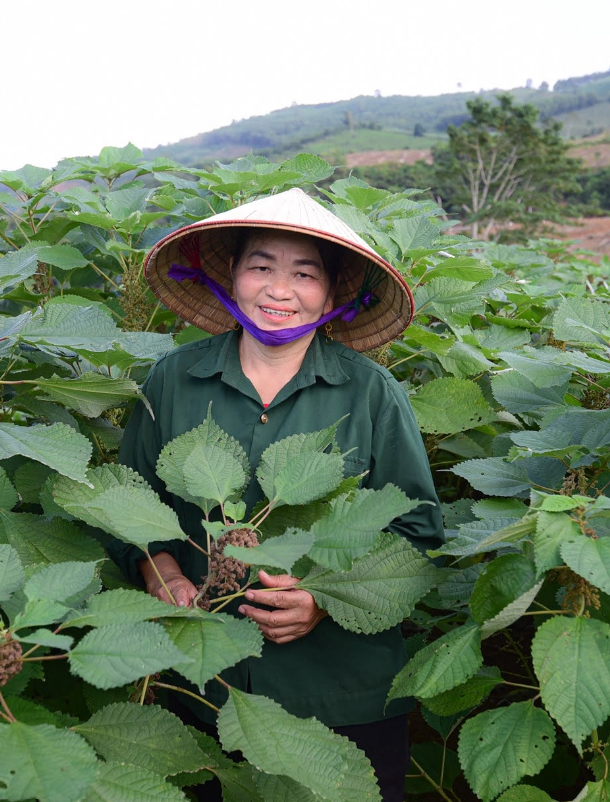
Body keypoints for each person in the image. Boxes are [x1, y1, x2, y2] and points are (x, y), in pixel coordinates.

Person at [112, 187, 444, 801]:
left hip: (339, 698)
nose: (279, 290)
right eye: (260, 266)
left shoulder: (370, 393)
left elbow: (417, 535)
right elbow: (131, 503)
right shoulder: (174, 379)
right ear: (231, 275)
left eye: (304, 274)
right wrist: (160, 574)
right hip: (199, 688)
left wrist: (323, 598)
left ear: (333, 292)